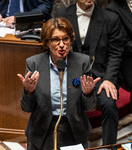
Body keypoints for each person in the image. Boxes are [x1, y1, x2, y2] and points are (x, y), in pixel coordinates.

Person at [17, 17, 100, 150]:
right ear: (47, 42)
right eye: (55, 39)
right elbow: (27, 108)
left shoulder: (82, 62)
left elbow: (90, 107)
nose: (61, 44)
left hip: (73, 130)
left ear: (71, 39)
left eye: (65, 39)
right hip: (42, 130)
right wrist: (28, 91)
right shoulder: (34, 63)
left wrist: (88, 93)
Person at [55, 0, 124, 145]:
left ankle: (108, 147)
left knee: (109, 104)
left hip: (100, 78)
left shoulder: (110, 18)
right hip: (70, 76)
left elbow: (115, 53)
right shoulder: (62, 15)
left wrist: (109, 79)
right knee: (62, 101)